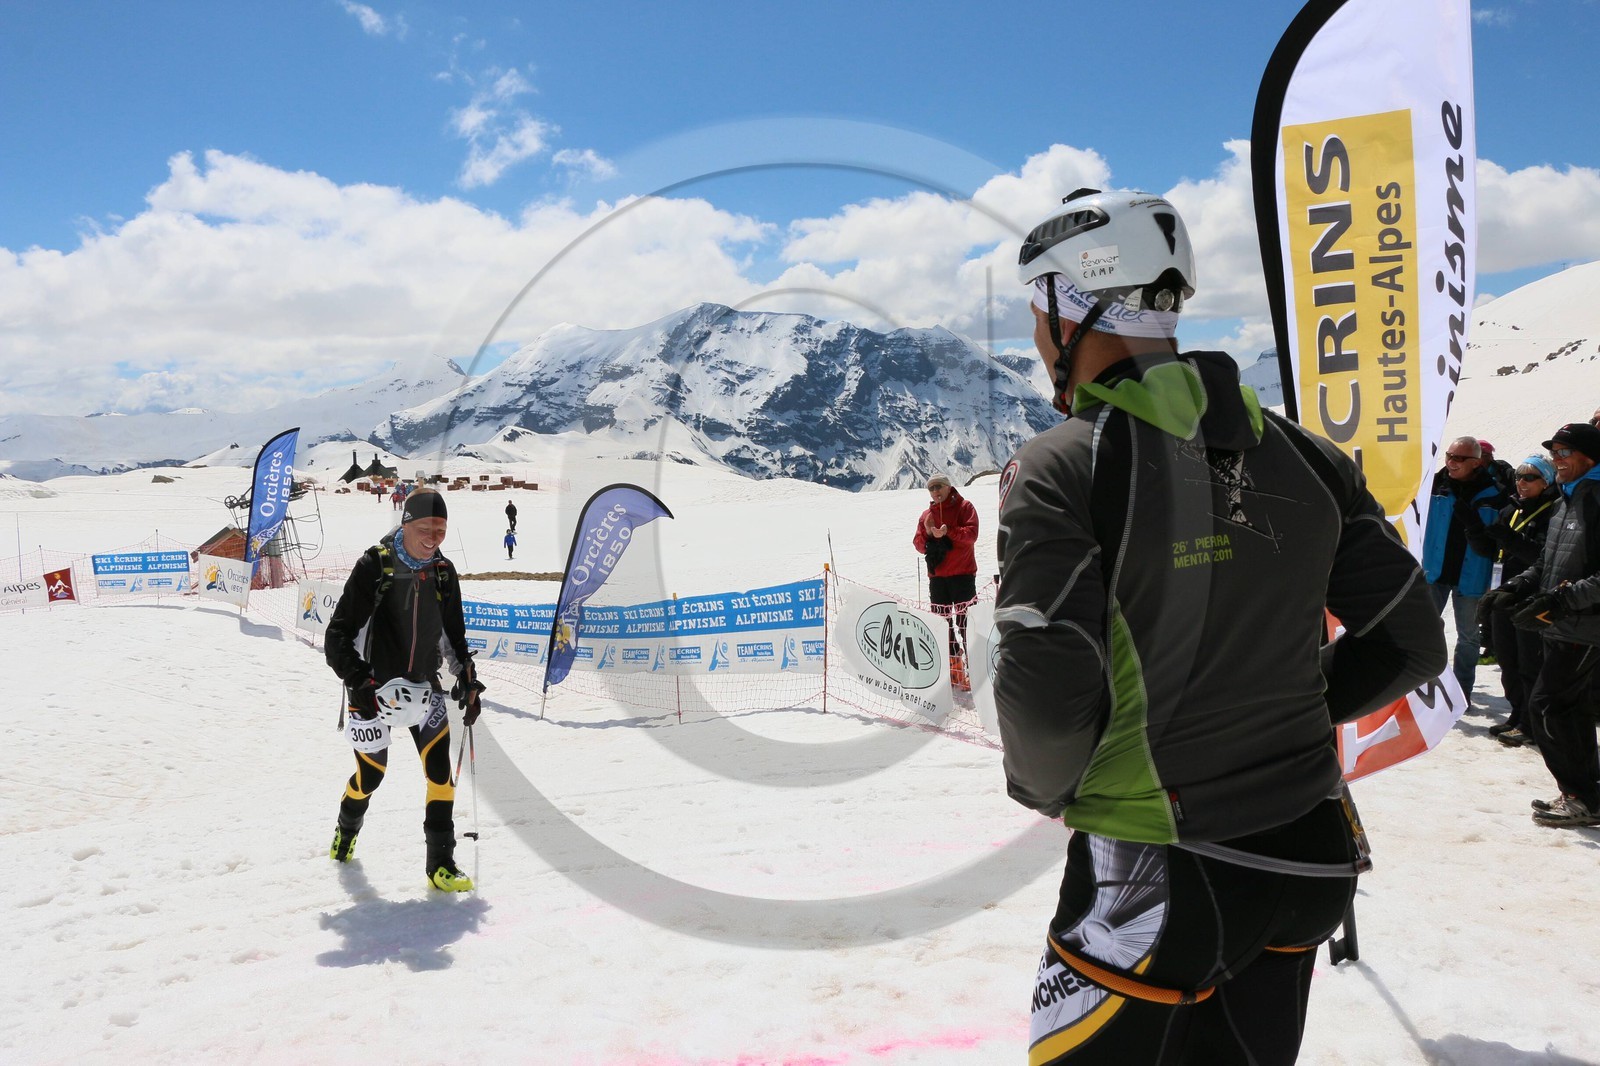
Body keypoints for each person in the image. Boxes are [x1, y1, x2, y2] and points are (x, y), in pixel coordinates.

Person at [995, 188, 1446, 1065]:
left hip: (1159, 868)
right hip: (1309, 854)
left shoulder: (1065, 465)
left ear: (1073, 304)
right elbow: (1412, 640)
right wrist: (1298, 714)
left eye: (1038, 313)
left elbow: (1047, 693)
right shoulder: (1309, 454)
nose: (1037, 337)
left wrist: (1049, 789)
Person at [323, 488, 487, 891]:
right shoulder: (375, 566)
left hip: (422, 689)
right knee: (371, 775)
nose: (433, 539)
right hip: (373, 689)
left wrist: (467, 676)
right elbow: (338, 635)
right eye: (426, 529)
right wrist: (357, 680)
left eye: (441, 531)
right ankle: (347, 827)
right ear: (406, 524)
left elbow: (454, 635)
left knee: (440, 774)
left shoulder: (444, 573)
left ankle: (441, 864)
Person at [1481, 422, 1600, 828]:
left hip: (1585, 625)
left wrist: (1560, 600)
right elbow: (1547, 562)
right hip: (1565, 623)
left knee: (1547, 705)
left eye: (1565, 452)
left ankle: (1580, 796)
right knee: (1572, 708)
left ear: (1590, 457)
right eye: (1554, 453)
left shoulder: (1595, 498)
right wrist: (1517, 586)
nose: (1557, 460)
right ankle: (1587, 794)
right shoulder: (1568, 497)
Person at [1469, 455, 1558, 745]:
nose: (1521, 482)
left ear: (1546, 482)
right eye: (1519, 476)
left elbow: (1538, 557)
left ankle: (1531, 724)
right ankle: (1517, 714)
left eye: (1530, 477)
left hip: (1530, 596)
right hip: (1503, 594)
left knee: (1528, 663)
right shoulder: (1512, 510)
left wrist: (1507, 537)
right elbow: (1491, 551)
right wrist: (1474, 530)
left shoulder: (1552, 512)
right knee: (1508, 660)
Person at [1421, 436, 1509, 698]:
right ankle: (1426, 690)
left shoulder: (1495, 494)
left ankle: (1460, 693)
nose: (1451, 462)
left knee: (1468, 637)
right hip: (1434, 571)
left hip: (1471, 576)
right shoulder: (1434, 485)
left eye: (1459, 458)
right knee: (1425, 630)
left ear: (1476, 462)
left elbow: (1500, 539)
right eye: (1449, 456)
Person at [912, 472, 979, 689]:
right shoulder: (926, 515)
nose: (935, 491)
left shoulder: (965, 507)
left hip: (962, 574)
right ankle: (954, 670)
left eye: (939, 486)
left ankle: (976, 669)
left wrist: (948, 532)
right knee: (942, 626)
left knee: (966, 623)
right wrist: (930, 534)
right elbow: (918, 545)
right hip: (938, 578)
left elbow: (971, 535)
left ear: (949, 487)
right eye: (931, 488)